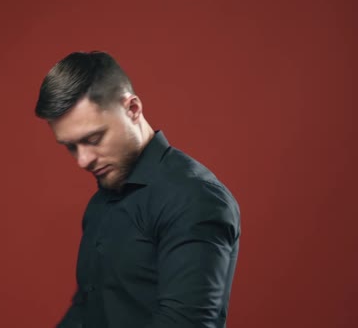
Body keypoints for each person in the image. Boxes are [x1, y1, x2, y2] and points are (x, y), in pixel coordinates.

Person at [34, 51, 240, 328]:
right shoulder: (101, 202)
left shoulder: (196, 198)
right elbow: (87, 309)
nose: (83, 160)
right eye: (71, 147)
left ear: (132, 109)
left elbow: (184, 324)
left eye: (93, 139)